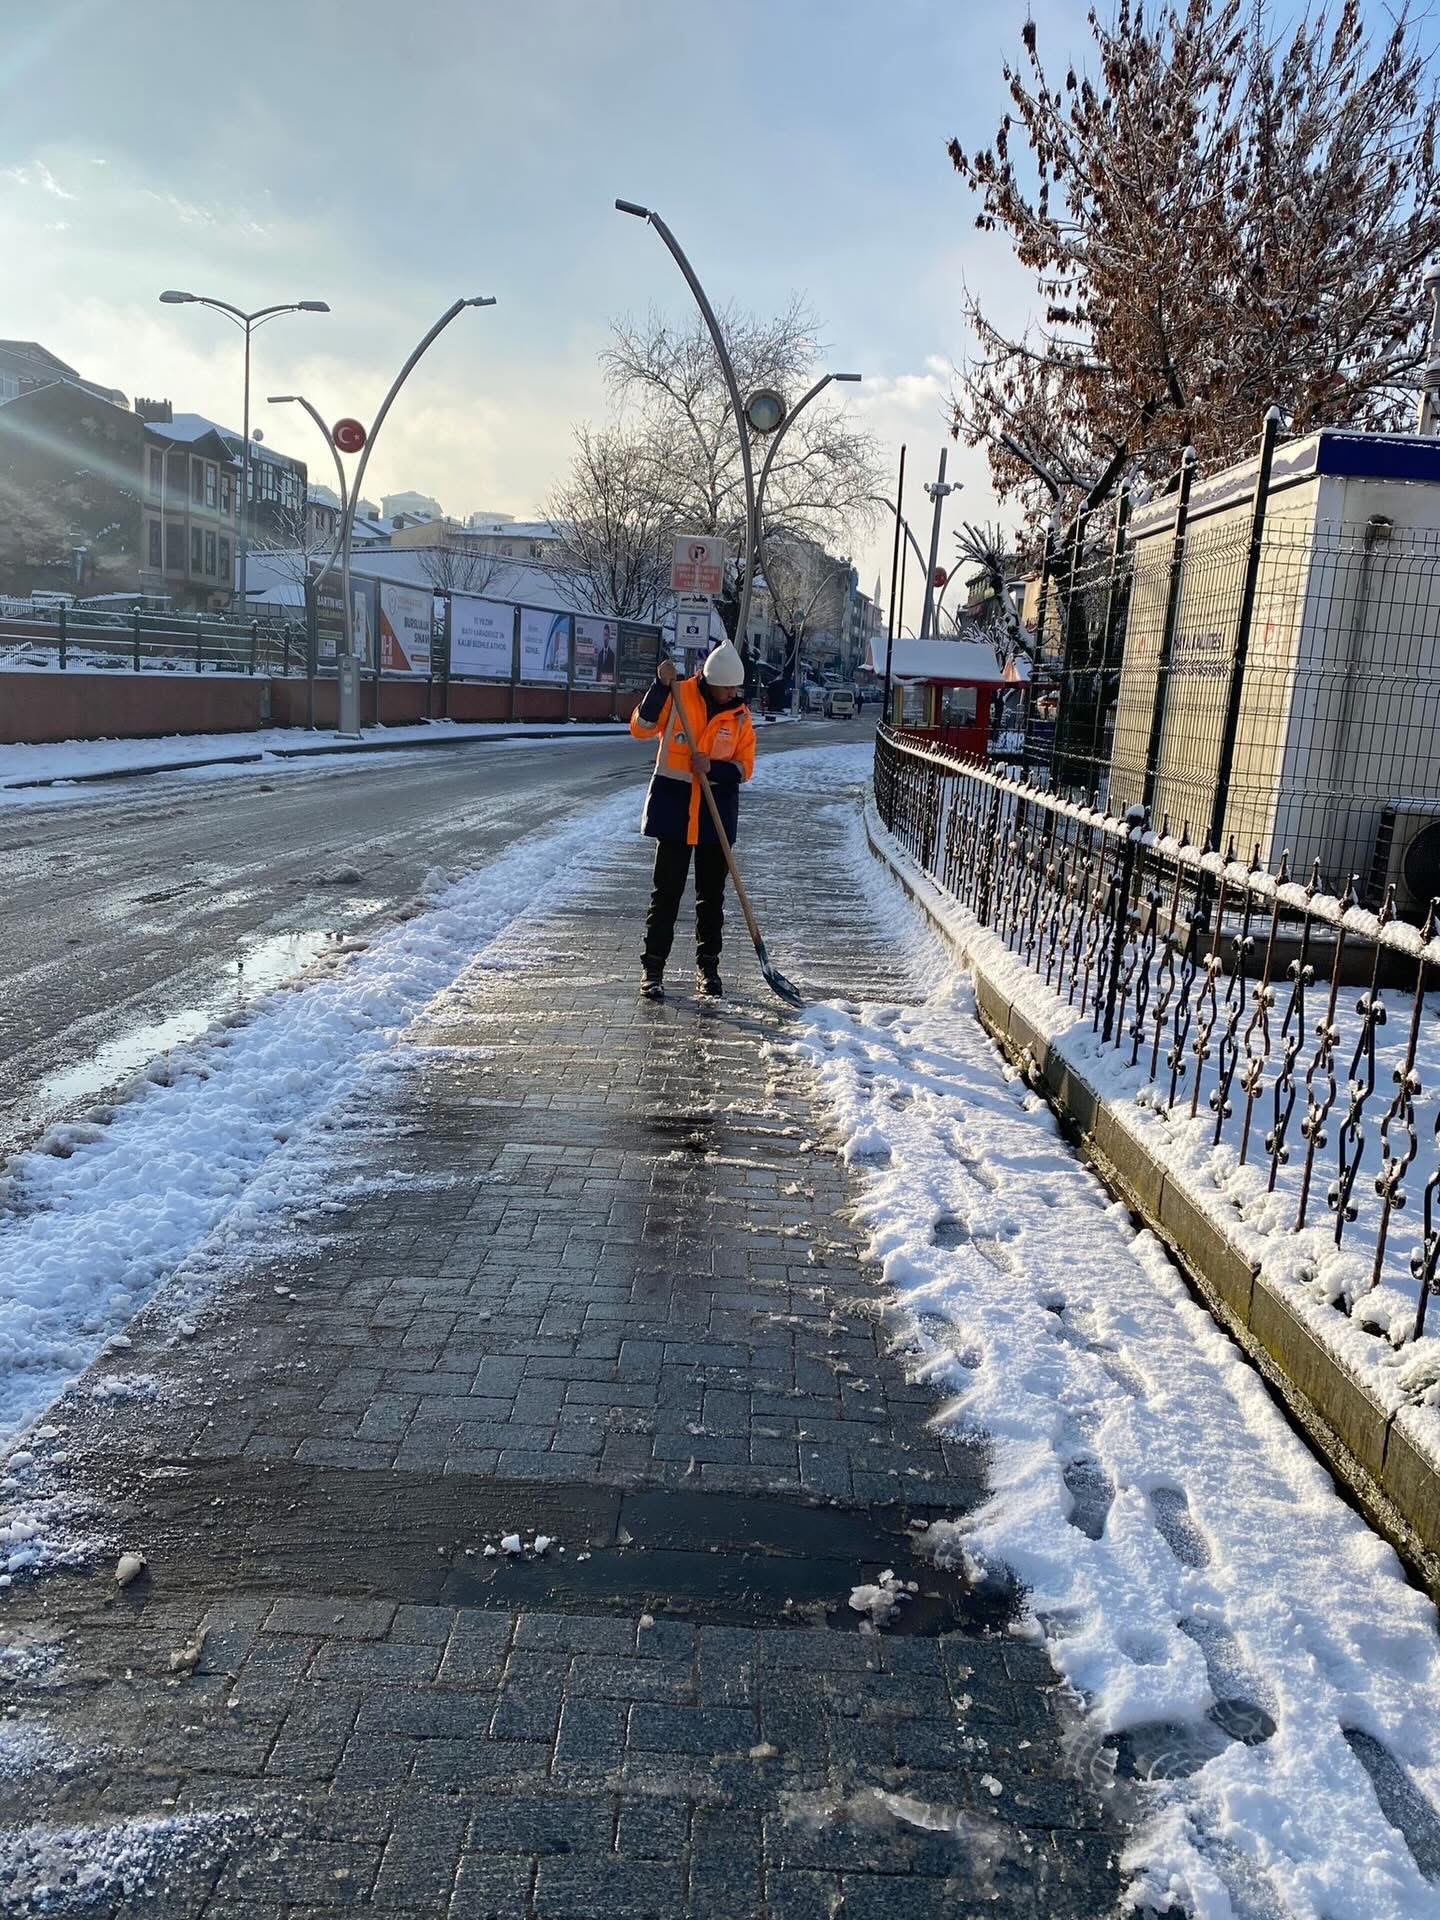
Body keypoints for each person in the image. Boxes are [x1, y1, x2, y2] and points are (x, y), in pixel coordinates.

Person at [629, 638, 756, 1000]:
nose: (731, 693)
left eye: (735, 687)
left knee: (711, 898)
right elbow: (641, 727)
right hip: (675, 810)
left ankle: (708, 969)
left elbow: (745, 766)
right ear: (710, 680)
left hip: (716, 817)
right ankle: (653, 969)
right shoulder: (678, 695)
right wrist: (659, 686)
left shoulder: (740, 715)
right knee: (665, 895)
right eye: (726, 687)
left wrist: (713, 767)